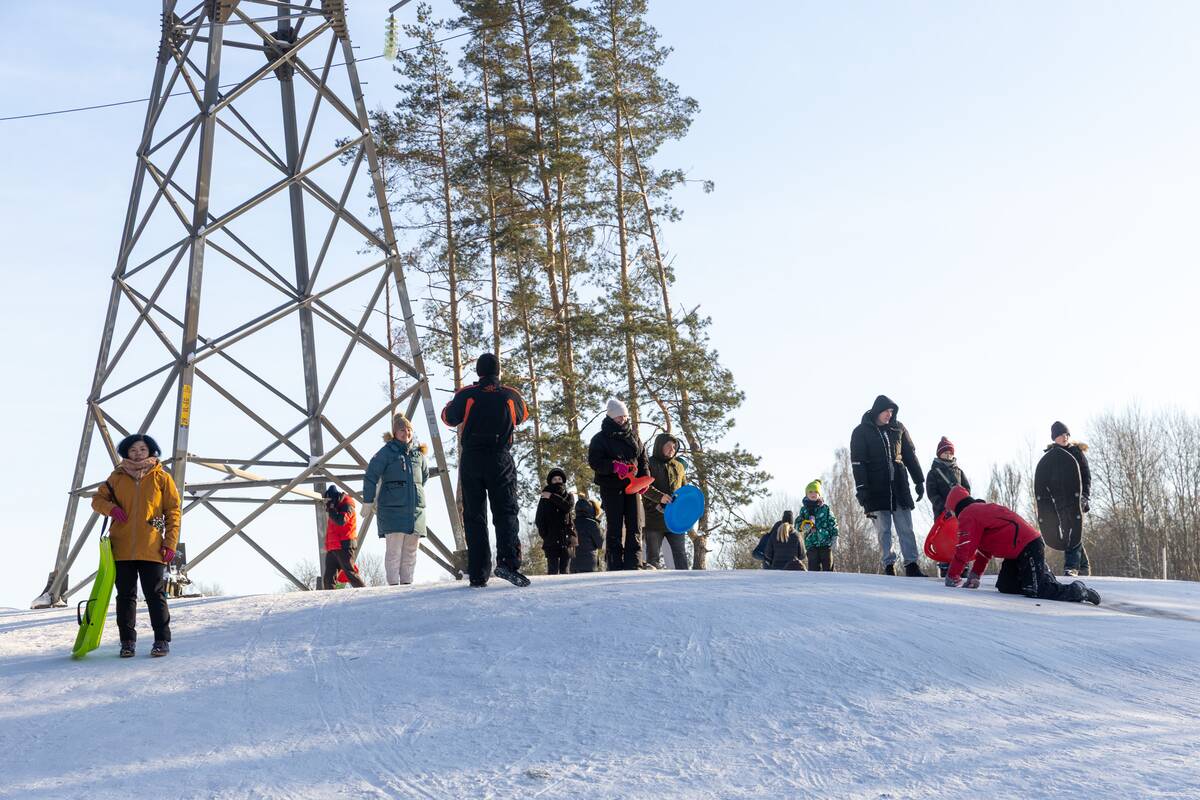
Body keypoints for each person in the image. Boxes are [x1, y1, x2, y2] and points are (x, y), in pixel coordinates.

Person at [441, 353, 530, 588]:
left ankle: (479, 571)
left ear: (478, 371)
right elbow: (523, 415)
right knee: (506, 511)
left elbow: (448, 417)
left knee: (474, 515)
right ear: (498, 371)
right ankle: (508, 563)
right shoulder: (511, 395)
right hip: (500, 457)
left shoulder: (467, 394)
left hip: (472, 458)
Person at [91, 433, 180, 658]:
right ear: (126, 453)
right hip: (121, 548)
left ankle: (161, 640)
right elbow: (97, 500)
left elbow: (173, 511)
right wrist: (111, 509)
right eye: (133, 450)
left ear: (150, 451)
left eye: (142, 449)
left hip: (152, 546)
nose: (138, 453)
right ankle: (127, 642)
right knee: (125, 596)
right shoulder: (117, 477)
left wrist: (170, 543)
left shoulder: (162, 477)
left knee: (155, 594)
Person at [943, 486, 1100, 605]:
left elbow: (964, 547)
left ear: (955, 506)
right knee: (1006, 586)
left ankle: (1078, 590)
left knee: (1036, 590)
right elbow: (984, 551)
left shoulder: (968, 514)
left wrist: (952, 576)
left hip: (1028, 546)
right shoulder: (978, 512)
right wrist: (975, 575)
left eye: (951, 512)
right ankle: (1040, 576)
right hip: (1016, 552)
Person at [850, 394, 927, 577]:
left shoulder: (898, 428)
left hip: (899, 487)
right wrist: (862, 489)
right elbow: (858, 463)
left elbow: (909, 455)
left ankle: (912, 565)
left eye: (892, 412)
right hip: (876, 490)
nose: (889, 415)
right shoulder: (861, 432)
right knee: (883, 530)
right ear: (878, 411)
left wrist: (919, 480)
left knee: (906, 528)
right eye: (886, 411)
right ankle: (889, 565)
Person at [363, 413, 429, 586]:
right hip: (392, 511)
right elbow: (371, 476)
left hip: (415, 512)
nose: (405, 433)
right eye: (401, 429)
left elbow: (424, 477)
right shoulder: (386, 452)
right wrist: (368, 501)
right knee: (394, 552)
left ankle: (407, 585)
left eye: (408, 430)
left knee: (411, 552)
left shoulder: (418, 455)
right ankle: (393, 586)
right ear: (394, 432)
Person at [587, 398, 651, 571]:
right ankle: (615, 563)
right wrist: (614, 466)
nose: (622, 420)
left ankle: (634, 562)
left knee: (635, 524)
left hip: (634, 486)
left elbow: (643, 460)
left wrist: (645, 479)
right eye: (618, 417)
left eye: (624, 416)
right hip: (611, 487)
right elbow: (595, 462)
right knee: (615, 524)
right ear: (611, 417)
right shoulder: (600, 439)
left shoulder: (634, 437)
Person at [1035, 421, 1092, 576]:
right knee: (1071, 530)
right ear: (1055, 438)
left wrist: (1085, 496)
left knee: (1071, 529)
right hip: (1059, 501)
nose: (1064, 437)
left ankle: (1071, 566)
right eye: (1061, 435)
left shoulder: (1076, 452)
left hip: (1076, 498)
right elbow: (1044, 481)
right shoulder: (1050, 457)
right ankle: (1084, 566)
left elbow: (1086, 476)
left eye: (1066, 434)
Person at [925, 436, 971, 578]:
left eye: (950, 453)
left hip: (959, 513)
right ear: (939, 454)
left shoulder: (959, 471)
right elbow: (932, 493)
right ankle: (945, 565)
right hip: (942, 513)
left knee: (960, 537)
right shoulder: (933, 473)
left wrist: (965, 504)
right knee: (944, 539)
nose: (948, 455)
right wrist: (943, 506)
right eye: (945, 452)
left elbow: (966, 488)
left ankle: (963, 565)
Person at [643, 433, 689, 570]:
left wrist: (687, 509)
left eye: (674, 447)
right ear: (659, 446)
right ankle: (652, 586)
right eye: (668, 446)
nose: (672, 449)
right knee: (653, 558)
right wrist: (660, 497)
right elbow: (644, 487)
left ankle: (687, 583)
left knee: (680, 554)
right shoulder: (648, 464)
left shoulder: (679, 466)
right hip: (654, 518)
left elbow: (685, 490)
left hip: (675, 520)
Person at [321, 486, 366, 589]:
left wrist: (331, 509)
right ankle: (329, 598)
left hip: (344, 545)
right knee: (328, 577)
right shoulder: (337, 506)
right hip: (333, 546)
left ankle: (365, 593)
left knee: (350, 573)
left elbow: (341, 521)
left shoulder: (347, 504)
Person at [535, 468, 577, 575]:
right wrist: (545, 534)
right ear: (550, 481)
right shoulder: (544, 497)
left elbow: (567, 507)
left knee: (565, 571)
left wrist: (552, 496)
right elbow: (539, 518)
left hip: (567, 538)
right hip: (551, 538)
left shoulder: (569, 496)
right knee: (552, 572)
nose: (558, 481)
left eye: (559, 478)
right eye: (554, 479)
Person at [799, 480, 839, 571]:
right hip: (811, 543)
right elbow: (798, 523)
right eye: (810, 492)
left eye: (816, 492)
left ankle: (829, 583)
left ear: (819, 494)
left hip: (825, 543)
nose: (813, 494)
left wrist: (835, 536)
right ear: (806, 494)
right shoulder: (804, 510)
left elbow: (833, 523)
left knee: (828, 567)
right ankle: (814, 584)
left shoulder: (825, 508)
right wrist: (803, 526)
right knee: (813, 568)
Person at [572, 497, 605, 573]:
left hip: (573, 564)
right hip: (589, 564)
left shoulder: (571, 523)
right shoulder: (593, 524)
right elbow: (601, 544)